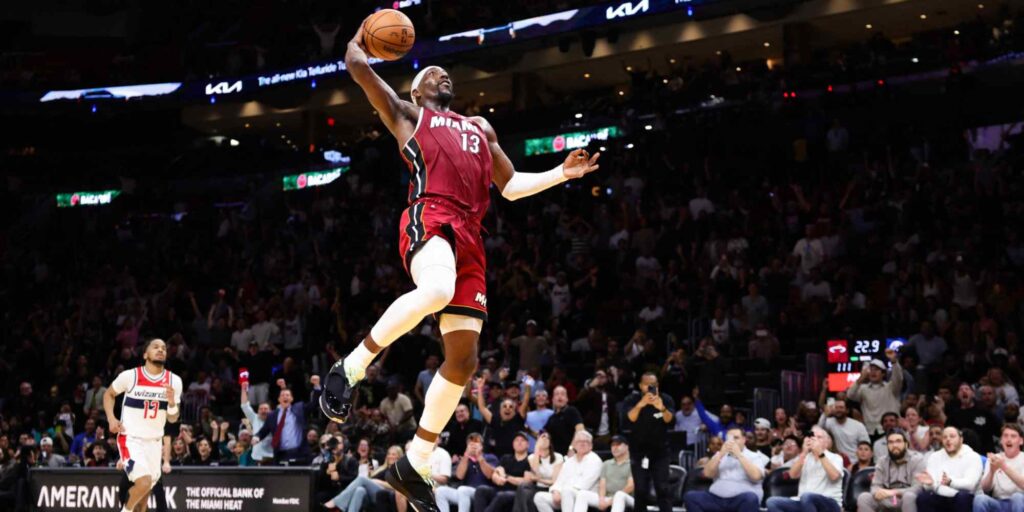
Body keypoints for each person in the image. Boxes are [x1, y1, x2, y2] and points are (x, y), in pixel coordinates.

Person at [321, 21, 600, 512]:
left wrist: (563, 172)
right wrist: (364, 36)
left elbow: (510, 187)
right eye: (433, 73)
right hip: (431, 214)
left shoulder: (479, 128)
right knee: (437, 288)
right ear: (416, 89)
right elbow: (356, 66)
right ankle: (349, 368)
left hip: (471, 233)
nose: (442, 76)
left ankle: (416, 461)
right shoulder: (408, 115)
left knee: (465, 359)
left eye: (447, 74)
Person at [103, 338, 183, 512]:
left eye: (164, 348)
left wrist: (171, 403)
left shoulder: (174, 381)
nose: (161, 350)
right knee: (144, 481)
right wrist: (111, 418)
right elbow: (109, 394)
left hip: (154, 443)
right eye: (156, 347)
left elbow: (172, 419)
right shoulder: (130, 376)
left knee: (143, 501)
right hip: (131, 439)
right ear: (145, 354)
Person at [622, 372, 675, 512]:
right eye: (647, 384)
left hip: (660, 452)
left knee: (662, 488)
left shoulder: (666, 399)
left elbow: (670, 420)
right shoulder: (631, 400)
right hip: (639, 453)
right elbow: (630, 419)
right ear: (640, 386)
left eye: (654, 385)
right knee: (640, 490)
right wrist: (641, 404)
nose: (651, 387)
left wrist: (661, 408)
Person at [684, 427, 769, 512]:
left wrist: (739, 455)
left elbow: (756, 476)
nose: (732, 441)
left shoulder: (754, 456)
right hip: (716, 499)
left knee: (750, 498)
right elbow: (707, 474)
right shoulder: (719, 455)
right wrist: (721, 454)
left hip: (741, 500)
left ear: (744, 440)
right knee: (691, 497)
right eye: (729, 438)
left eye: (736, 438)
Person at [766, 426, 844, 512]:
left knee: (807, 496)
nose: (814, 439)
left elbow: (834, 476)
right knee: (772, 502)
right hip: (803, 501)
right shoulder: (805, 458)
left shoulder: (836, 457)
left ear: (827, 442)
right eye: (812, 436)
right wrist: (804, 452)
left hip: (829, 502)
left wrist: (820, 453)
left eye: (819, 437)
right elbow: (792, 475)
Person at [254, 376, 320, 464]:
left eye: (287, 395)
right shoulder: (272, 415)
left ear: (291, 399)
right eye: (282, 395)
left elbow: (313, 405)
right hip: (281, 454)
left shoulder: (299, 409)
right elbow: (264, 430)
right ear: (279, 399)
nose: (285, 397)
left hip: (299, 453)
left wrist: (316, 386)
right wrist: (257, 437)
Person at [913, 427, 982, 511]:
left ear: (961, 439)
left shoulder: (973, 457)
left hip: (964, 497)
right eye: (945, 437)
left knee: (963, 497)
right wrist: (930, 484)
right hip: (941, 495)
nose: (948, 439)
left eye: (952, 436)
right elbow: (931, 485)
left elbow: (970, 485)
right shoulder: (934, 457)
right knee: (923, 497)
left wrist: (950, 482)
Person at [856, 428, 924, 512]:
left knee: (909, 496)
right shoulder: (882, 461)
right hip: (887, 498)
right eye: (891, 442)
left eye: (898, 441)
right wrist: (877, 493)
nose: (894, 445)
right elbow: (875, 486)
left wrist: (894, 492)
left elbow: (918, 488)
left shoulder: (917, 459)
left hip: (905, 498)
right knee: (864, 497)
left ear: (906, 444)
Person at [533, 431, 602, 512]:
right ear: (574, 445)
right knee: (539, 497)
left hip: (584, 495)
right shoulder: (569, 461)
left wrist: (562, 492)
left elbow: (585, 485)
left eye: (586, 441)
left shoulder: (595, 460)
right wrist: (556, 491)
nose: (582, 444)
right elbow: (559, 481)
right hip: (564, 495)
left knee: (567, 491)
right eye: (579, 441)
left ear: (591, 446)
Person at [324, 445, 402, 510]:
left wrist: (378, 482)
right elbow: (370, 480)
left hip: (385, 494)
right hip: (371, 493)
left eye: (393, 454)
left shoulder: (399, 470)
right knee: (359, 490)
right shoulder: (382, 468)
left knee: (361, 479)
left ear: (399, 456)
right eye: (389, 454)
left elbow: (398, 487)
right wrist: (370, 475)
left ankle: (335, 502)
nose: (390, 456)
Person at [437, 432, 498, 512]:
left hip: (483, 493)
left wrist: (479, 457)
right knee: (440, 491)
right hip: (464, 494)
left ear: (482, 446)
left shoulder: (490, 457)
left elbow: (490, 475)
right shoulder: (465, 459)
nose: (473, 446)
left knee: (463, 490)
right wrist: (466, 456)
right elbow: (459, 476)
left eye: (476, 443)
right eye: (470, 444)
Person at [847, 349, 903, 437]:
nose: (873, 372)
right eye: (871, 370)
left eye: (877, 370)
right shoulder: (863, 389)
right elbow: (850, 395)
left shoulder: (891, 387)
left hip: (891, 429)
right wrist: (861, 378)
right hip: (870, 431)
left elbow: (898, 378)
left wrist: (894, 361)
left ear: (883, 373)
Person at [473, 432, 531, 512]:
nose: (519, 442)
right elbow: (495, 473)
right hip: (500, 489)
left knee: (502, 496)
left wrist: (506, 476)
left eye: (522, 440)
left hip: (517, 493)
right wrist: (496, 478)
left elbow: (525, 482)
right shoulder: (505, 458)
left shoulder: (530, 460)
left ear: (528, 445)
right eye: (516, 440)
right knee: (481, 489)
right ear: (513, 444)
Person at [973, 423, 1024, 512]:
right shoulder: (994, 458)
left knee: (1017, 497)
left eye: (1013, 436)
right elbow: (985, 489)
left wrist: (1003, 466)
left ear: (1021, 441)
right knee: (980, 499)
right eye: (1005, 436)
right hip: (998, 502)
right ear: (1001, 440)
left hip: (1020, 502)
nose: (1009, 439)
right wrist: (992, 471)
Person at [476, 378, 527, 457]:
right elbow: (482, 408)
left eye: (511, 407)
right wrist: (479, 388)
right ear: (500, 410)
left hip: (514, 459)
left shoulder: (518, 420)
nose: (507, 408)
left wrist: (528, 388)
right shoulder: (495, 420)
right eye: (504, 406)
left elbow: (525, 403)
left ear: (514, 411)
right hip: (496, 459)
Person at [513, 432, 563, 512]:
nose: (544, 440)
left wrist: (539, 479)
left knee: (529, 494)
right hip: (537, 487)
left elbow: (554, 481)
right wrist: (537, 448)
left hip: (551, 489)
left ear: (550, 442)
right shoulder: (532, 457)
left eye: (546, 437)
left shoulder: (558, 457)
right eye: (541, 438)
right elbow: (536, 471)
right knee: (523, 488)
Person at [541, 386, 584, 456]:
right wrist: (529, 429)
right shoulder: (552, 418)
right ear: (553, 400)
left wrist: (572, 449)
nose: (559, 396)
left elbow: (580, 430)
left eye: (562, 394)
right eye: (557, 394)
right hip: (555, 457)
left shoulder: (571, 411)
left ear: (567, 399)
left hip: (570, 456)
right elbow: (544, 434)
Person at [239, 380, 274, 463]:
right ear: (257, 411)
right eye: (261, 409)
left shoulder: (275, 419)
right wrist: (243, 389)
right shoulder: (255, 418)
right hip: (257, 458)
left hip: (271, 457)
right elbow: (244, 406)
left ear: (271, 411)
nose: (263, 411)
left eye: (266, 409)